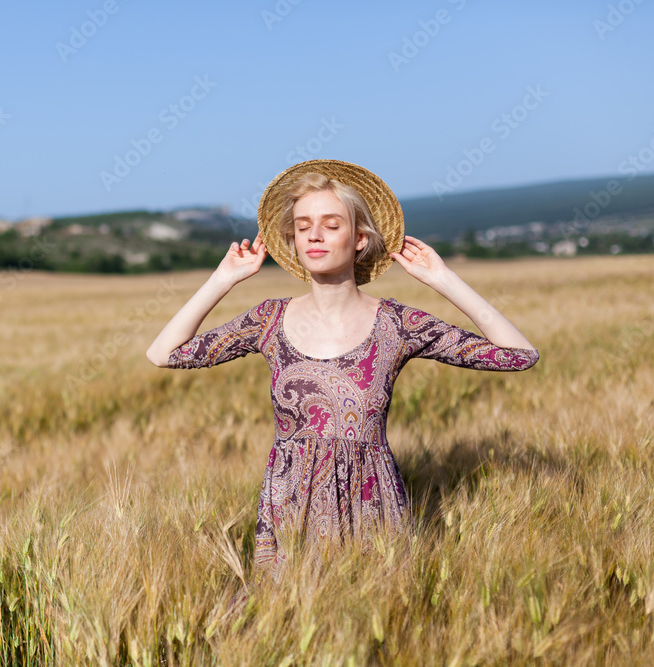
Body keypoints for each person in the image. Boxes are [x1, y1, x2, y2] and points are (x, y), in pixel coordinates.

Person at [145, 159, 539, 590]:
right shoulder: (268, 320)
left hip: (373, 511)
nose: (313, 234)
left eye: (331, 225)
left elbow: (519, 355)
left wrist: (443, 280)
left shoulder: (397, 324)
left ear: (360, 240)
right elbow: (164, 353)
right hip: (287, 513)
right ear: (292, 241)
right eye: (302, 226)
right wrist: (223, 279)